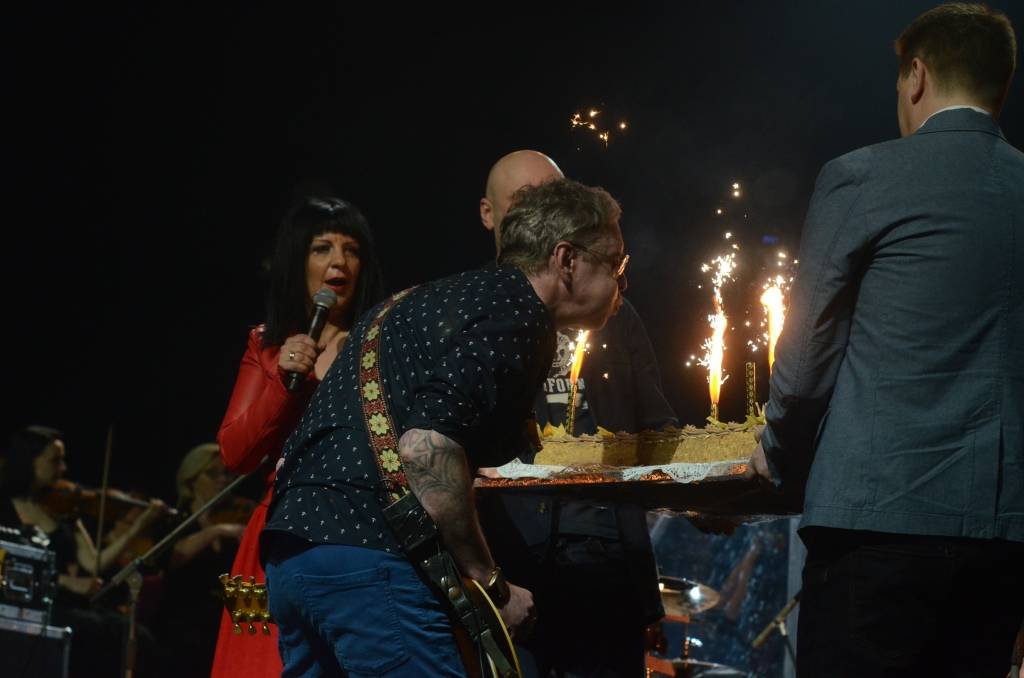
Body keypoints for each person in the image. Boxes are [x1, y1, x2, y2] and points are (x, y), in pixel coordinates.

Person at [745, 4, 1023, 676]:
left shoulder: (862, 177)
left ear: (917, 76)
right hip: (1001, 537)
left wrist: (776, 451)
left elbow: (806, 357)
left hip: (874, 525)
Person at [261, 178, 628, 676]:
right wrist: (491, 584)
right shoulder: (520, 312)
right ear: (566, 259)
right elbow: (425, 446)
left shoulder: (425, 299)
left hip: (290, 554)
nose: (622, 285)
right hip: (366, 558)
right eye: (616, 265)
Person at [478, 150, 675, 677]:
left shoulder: (614, 311)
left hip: (605, 563)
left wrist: (708, 489)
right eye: (527, 199)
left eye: (556, 196)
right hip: (510, 560)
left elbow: (657, 427)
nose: (545, 209)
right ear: (489, 214)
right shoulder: (476, 315)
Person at [209, 196, 385, 677]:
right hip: (272, 539)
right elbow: (234, 453)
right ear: (296, 261)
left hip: (357, 536)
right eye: (321, 248)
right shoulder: (267, 344)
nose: (339, 262)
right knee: (256, 667)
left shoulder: (378, 342)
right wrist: (282, 382)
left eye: (351, 249)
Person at [0, 425, 167, 677]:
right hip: (31, 603)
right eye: (55, 461)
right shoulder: (4, 507)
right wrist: (65, 581)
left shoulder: (64, 506)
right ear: (29, 461)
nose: (63, 468)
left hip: (70, 604)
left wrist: (138, 527)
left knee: (137, 636)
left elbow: (93, 562)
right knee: (90, 633)